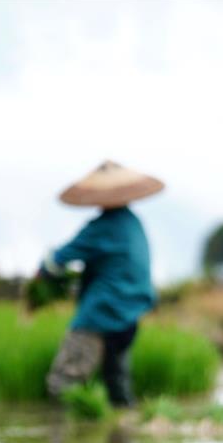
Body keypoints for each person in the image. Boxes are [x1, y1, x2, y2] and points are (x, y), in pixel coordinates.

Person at [41, 160, 164, 406]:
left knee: (65, 381)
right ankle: (120, 437)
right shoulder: (133, 223)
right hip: (129, 315)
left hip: (101, 312)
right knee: (116, 382)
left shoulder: (103, 227)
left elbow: (58, 260)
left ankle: (61, 436)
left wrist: (43, 272)